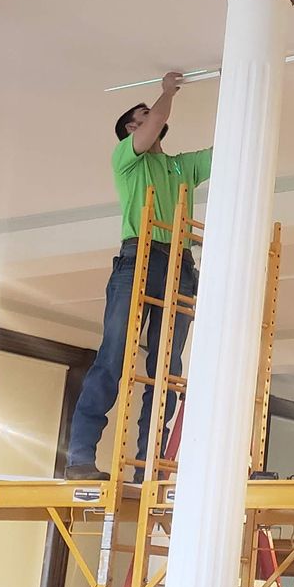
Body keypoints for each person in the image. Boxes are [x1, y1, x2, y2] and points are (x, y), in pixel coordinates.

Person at [62, 71, 211, 480]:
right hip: (138, 257)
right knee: (112, 358)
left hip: (179, 264)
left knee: (167, 368)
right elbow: (150, 132)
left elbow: (230, 148)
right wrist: (166, 92)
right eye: (144, 116)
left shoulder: (181, 168)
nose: (155, 117)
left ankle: (149, 467)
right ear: (132, 128)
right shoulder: (127, 160)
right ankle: (79, 458)